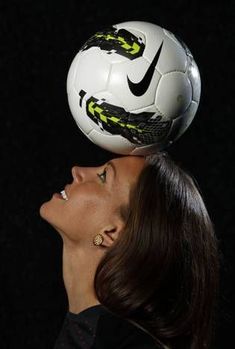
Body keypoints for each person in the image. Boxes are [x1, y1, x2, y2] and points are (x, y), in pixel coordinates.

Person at [39, 151, 220, 349]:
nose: (77, 171)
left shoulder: (109, 339)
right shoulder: (93, 331)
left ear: (110, 233)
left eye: (103, 176)